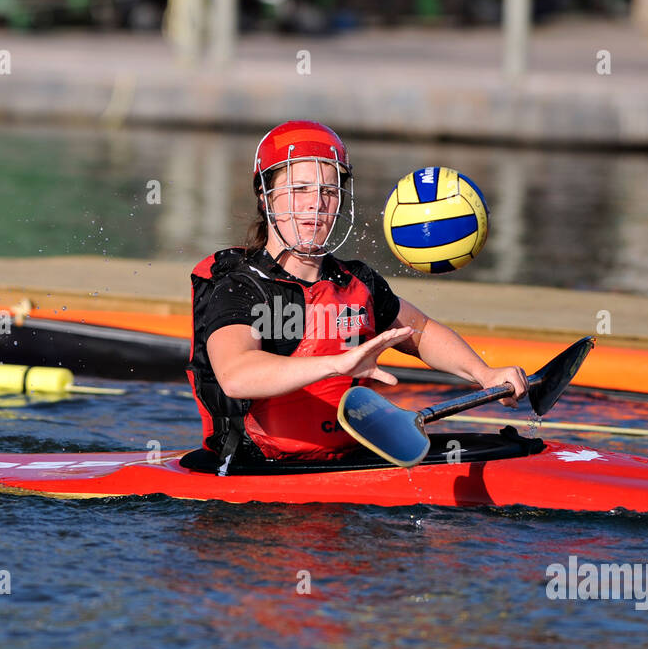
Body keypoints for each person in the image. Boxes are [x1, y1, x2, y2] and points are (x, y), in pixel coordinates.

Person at [188, 120, 527, 471]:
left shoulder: (356, 282)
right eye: (299, 188)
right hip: (255, 470)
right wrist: (337, 364)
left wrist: (483, 373)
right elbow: (236, 374)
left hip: (348, 460)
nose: (316, 204)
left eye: (329, 191)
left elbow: (421, 331)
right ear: (265, 196)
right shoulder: (239, 286)